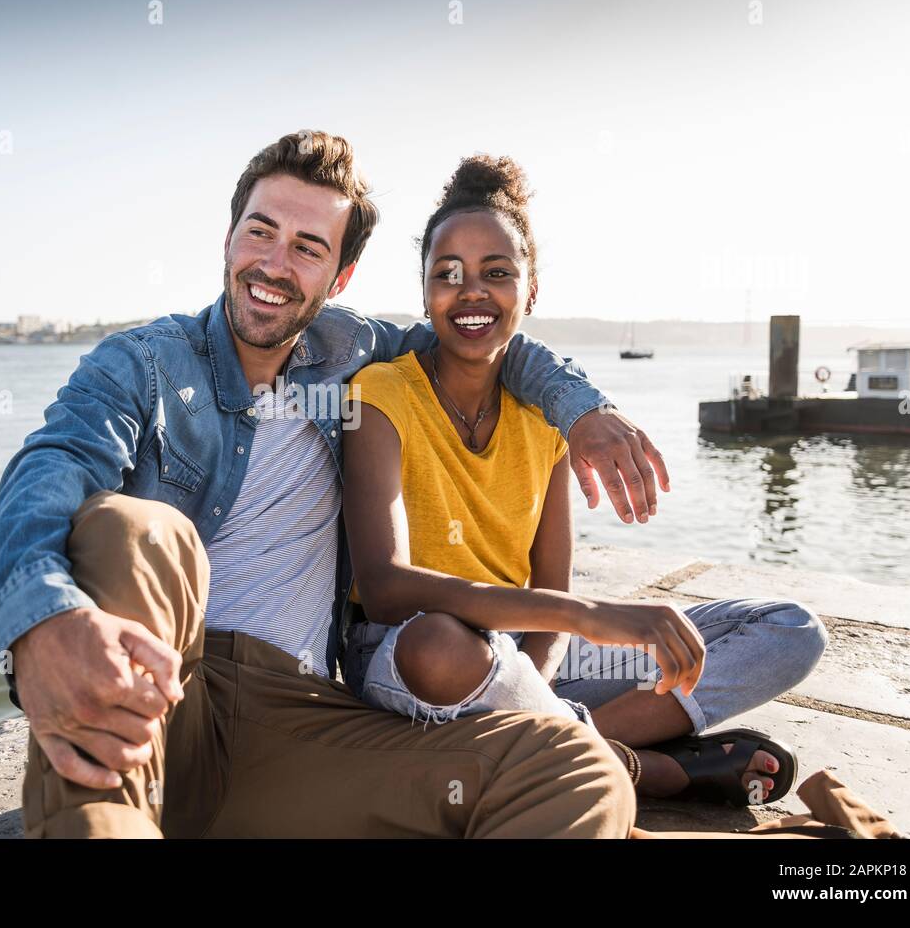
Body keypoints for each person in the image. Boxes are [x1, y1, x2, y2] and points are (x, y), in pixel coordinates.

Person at [0, 130, 667, 838]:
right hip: (159, 695)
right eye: (262, 232)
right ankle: (101, 820)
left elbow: (485, 332)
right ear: (228, 238)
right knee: (135, 530)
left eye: (309, 248)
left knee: (579, 771)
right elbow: (48, 473)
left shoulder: (350, 357)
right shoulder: (146, 363)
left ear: (339, 277)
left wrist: (584, 412)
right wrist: (39, 624)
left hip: (298, 721)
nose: (275, 266)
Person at [340, 154, 829, 807]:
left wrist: (539, 677)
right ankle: (641, 769)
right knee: (438, 642)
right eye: (447, 274)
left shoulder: (547, 421)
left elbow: (548, 597)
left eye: (498, 273)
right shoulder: (377, 395)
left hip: (530, 659)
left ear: (531, 291)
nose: (472, 291)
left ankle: (568, 742)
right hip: (412, 654)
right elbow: (384, 589)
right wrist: (593, 616)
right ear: (425, 290)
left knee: (790, 629)